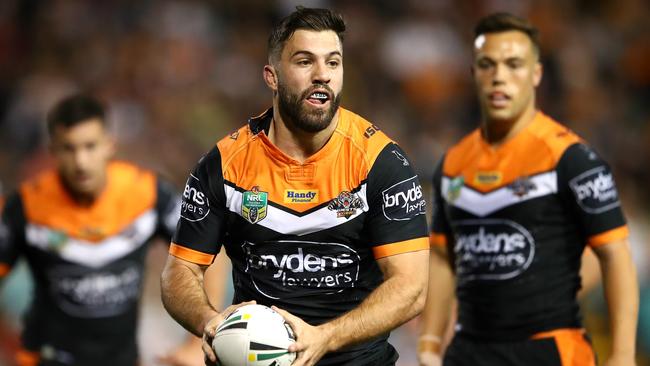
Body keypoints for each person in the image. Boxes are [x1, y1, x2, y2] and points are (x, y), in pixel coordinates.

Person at [160, 6, 430, 366]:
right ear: (272, 76)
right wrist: (210, 322)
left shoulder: (380, 162)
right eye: (305, 62)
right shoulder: (224, 165)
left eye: (333, 63)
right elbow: (179, 272)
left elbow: (411, 288)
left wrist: (326, 337)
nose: (322, 76)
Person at [417, 12, 639, 366]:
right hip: (468, 351)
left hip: (549, 350)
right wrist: (429, 342)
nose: (499, 77)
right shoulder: (454, 163)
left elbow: (615, 256)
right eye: (487, 64)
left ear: (536, 74)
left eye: (513, 64)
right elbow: (443, 256)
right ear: (474, 74)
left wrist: (623, 354)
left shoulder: (571, 159)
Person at [0, 94, 182, 366]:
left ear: (110, 145)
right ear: (53, 151)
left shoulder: (147, 194)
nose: (81, 161)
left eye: (90, 146)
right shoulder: (26, 207)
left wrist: (198, 336)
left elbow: (207, 248)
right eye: (69, 148)